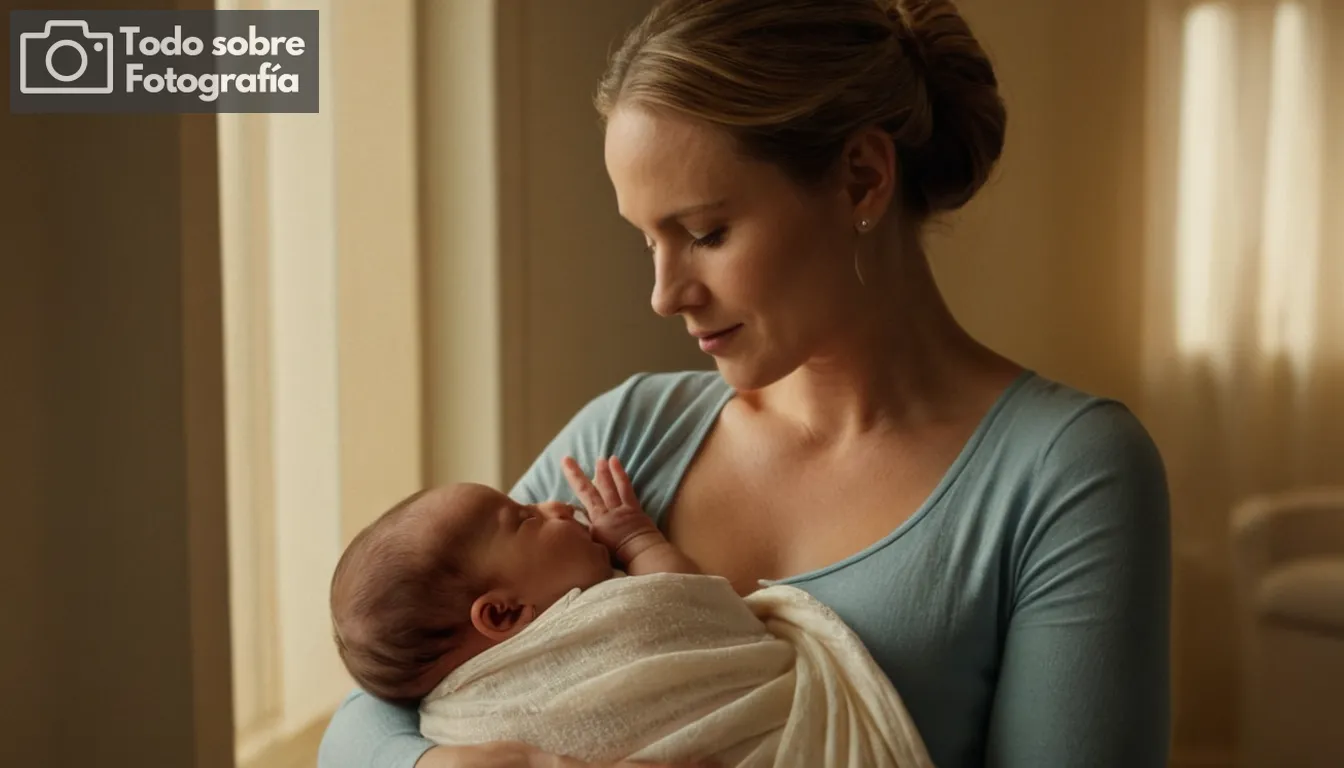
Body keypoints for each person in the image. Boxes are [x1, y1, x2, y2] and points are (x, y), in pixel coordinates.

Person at [318, 0, 1172, 766]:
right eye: (646, 240)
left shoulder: (1065, 473)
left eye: (704, 231)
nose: (664, 293)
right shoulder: (629, 435)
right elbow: (374, 711)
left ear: (861, 178)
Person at [327, 458, 698, 705]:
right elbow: (681, 606)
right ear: (503, 613)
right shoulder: (478, 711)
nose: (554, 504)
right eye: (526, 518)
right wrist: (638, 541)